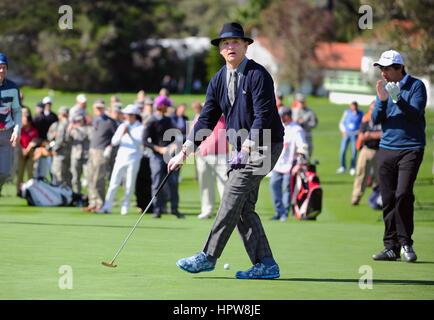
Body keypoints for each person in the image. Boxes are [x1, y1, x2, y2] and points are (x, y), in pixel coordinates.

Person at [168, 22, 284, 279]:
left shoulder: (258, 75)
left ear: (245, 46)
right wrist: (185, 151)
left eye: (235, 42)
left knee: (232, 195)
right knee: (243, 207)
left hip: (265, 143)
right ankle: (266, 264)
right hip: (244, 147)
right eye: (225, 43)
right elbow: (206, 120)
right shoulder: (219, 79)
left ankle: (208, 256)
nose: (230, 46)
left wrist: (249, 147)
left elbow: (263, 115)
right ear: (220, 50)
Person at [371, 50, 427, 262]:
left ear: (399, 68)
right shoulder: (384, 88)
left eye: (386, 69)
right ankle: (390, 247)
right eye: (381, 69)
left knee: (403, 194)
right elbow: (376, 119)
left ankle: (405, 243)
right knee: (387, 198)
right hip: (386, 148)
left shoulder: (416, 86)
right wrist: (383, 100)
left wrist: (397, 98)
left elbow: (415, 114)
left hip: (411, 148)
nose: (383, 73)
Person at [143, 95, 184, 219]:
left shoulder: (168, 120)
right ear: (161, 106)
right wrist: (159, 149)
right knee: (156, 183)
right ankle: (157, 210)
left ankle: (174, 209)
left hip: (170, 155)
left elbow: (176, 136)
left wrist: (172, 146)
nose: (169, 108)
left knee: (173, 183)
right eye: (167, 105)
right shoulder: (151, 121)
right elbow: (144, 141)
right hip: (156, 156)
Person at [99, 105, 144, 215]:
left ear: (134, 116)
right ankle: (107, 206)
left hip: (134, 158)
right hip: (121, 157)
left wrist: (129, 134)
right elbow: (114, 142)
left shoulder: (140, 128)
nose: (126, 117)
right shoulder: (122, 126)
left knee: (129, 184)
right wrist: (122, 134)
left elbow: (139, 143)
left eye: (129, 115)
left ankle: (125, 206)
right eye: (126, 115)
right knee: (114, 182)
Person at [270, 107, 308, 222]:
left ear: (287, 115)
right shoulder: (279, 126)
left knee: (287, 188)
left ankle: (284, 213)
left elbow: (303, 146)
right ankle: (278, 211)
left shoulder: (297, 129)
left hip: (290, 164)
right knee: (274, 186)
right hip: (277, 164)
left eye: (282, 115)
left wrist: (299, 164)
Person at [84, 99, 117, 212]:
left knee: (99, 178)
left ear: (104, 108)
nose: (98, 110)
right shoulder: (94, 120)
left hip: (102, 151)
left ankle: (99, 203)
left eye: (100, 108)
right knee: (90, 177)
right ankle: (92, 202)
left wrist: (109, 148)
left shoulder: (110, 121)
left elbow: (116, 137)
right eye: (96, 108)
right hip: (92, 150)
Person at [194, 112, 229, 219]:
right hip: (204, 155)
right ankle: (206, 210)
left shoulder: (226, 118)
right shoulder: (202, 118)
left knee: (225, 184)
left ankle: (226, 211)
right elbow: (194, 133)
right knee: (205, 184)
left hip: (222, 154)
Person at [351, 101, 382, 205]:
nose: (372, 111)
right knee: (361, 174)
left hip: (380, 151)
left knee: (380, 178)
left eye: (374, 109)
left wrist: (370, 135)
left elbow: (384, 134)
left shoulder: (383, 119)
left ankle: (378, 199)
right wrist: (372, 135)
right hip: (367, 150)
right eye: (371, 109)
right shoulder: (366, 119)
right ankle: (356, 197)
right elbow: (361, 135)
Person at [0, 52, 22, 196]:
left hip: (7, 133)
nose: (1, 70)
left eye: (4, 67)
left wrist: (17, 129)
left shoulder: (13, 88)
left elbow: (17, 111)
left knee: (5, 171)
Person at [135, 97, 154, 213]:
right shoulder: (141, 118)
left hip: (151, 153)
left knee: (150, 181)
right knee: (140, 181)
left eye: (151, 105)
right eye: (148, 105)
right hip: (141, 153)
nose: (149, 106)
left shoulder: (156, 118)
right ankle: (141, 204)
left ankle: (150, 205)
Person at [337, 101, 364, 176]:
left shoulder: (361, 113)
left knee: (354, 152)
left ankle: (352, 167)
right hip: (347, 134)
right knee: (342, 150)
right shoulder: (346, 112)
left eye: (354, 106)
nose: (353, 108)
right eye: (352, 106)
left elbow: (363, 123)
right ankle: (342, 167)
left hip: (355, 134)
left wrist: (360, 131)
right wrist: (343, 131)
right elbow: (342, 122)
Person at [47, 106, 72, 187]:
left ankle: (58, 194)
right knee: (67, 175)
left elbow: (60, 139)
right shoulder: (71, 124)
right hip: (70, 152)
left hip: (60, 153)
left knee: (57, 174)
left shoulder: (62, 124)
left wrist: (55, 149)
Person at [68, 114, 91, 197]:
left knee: (88, 177)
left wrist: (78, 130)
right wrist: (69, 130)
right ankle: (77, 195)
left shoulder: (88, 129)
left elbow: (86, 137)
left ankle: (90, 196)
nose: (78, 122)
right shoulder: (72, 130)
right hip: (75, 156)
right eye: (76, 121)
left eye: (80, 120)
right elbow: (66, 140)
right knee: (75, 177)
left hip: (86, 156)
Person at [16, 107, 38, 195]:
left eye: (24, 120)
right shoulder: (20, 130)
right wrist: (23, 150)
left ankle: (30, 191)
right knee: (20, 172)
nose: (22, 121)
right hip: (21, 152)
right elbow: (18, 141)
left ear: (28, 121)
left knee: (30, 172)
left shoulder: (34, 130)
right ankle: (19, 191)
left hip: (30, 153)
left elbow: (34, 141)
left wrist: (27, 150)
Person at [291, 93, 317, 157]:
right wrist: (297, 122)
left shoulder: (310, 112)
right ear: (296, 102)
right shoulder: (293, 111)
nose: (301, 103)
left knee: (307, 155)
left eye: (302, 102)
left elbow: (314, 124)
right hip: (295, 137)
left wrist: (305, 124)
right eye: (300, 102)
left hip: (307, 136)